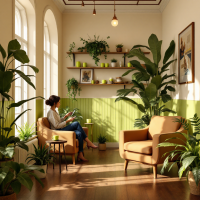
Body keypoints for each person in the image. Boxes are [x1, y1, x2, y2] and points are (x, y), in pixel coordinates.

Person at [45, 95, 97, 162]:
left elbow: (58, 121)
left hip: (60, 129)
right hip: (58, 131)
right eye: (59, 102)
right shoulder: (51, 113)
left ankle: (80, 154)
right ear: (55, 103)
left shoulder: (54, 111)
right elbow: (56, 126)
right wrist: (67, 121)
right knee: (76, 123)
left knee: (79, 133)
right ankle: (88, 142)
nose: (60, 103)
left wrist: (66, 116)